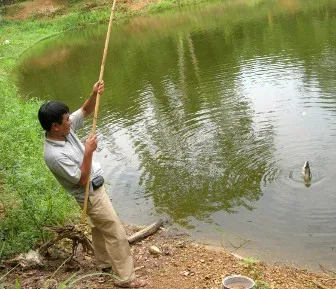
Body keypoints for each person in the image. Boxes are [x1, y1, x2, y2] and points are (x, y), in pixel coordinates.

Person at [38, 80, 147, 288]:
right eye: (66, 119)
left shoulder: (64, 132)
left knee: (98, 228)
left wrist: (94, 93)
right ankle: (126, 278)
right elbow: (82, 179)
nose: (70, 121)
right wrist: (88, 152)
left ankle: (104, 264)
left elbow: (86, 110)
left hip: (97, 189)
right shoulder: (53, 155)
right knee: (115, 231)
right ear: (55, 126)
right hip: (90, 194)